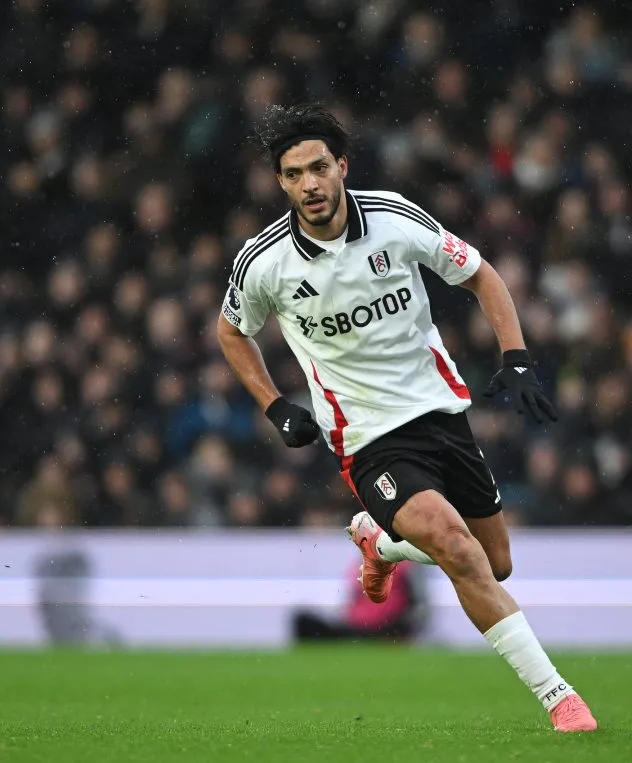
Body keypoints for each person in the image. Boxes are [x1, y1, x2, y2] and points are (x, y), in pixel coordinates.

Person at [216, 103, 597, 732]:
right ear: (280, 183)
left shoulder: (394, 219)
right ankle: (561, 699)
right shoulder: (264, 262)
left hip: (440, 410)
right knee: (456, 548)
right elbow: (232, 333)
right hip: (366, 436)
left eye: (318, 167)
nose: (308, 184)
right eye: (292, 174)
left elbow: (483, 276)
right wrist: (274, 403)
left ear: (342, 166)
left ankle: (380, 539)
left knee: (493, 563)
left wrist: (518, 358)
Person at [292, 561, 426, 644]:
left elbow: (419, 606)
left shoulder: (407, 565)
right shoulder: (362, 564)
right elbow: (352, 602)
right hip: (356, 627)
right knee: (302, 620)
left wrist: (406, 632)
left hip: (383, 630)